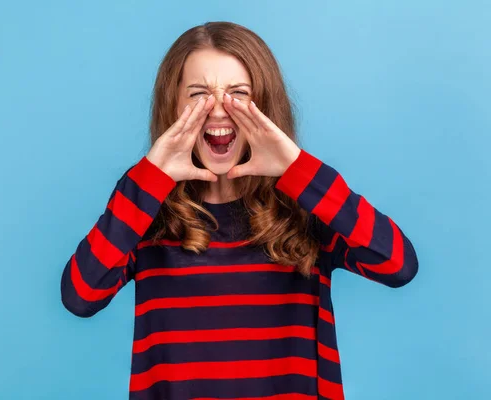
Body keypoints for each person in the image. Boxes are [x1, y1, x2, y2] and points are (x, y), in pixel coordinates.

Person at [60, 21, 419, 400]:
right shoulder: (144, 208)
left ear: (265, 106)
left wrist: (298, 169)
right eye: (198, 95)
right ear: (172, 105)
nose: (217, 111)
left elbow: (398, 265)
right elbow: (80, 297)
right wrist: (148, 179)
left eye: (238, 94)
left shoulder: (307, 206)